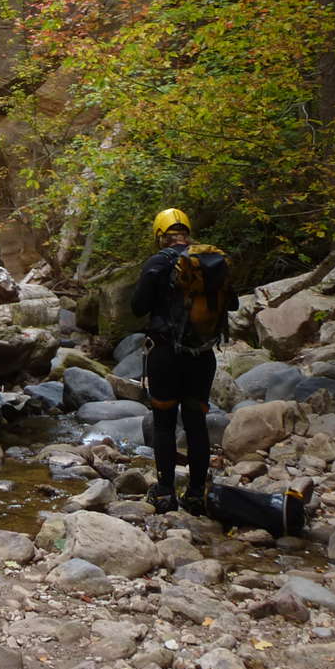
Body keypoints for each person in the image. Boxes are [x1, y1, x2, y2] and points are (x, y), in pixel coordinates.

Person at [130, 207, 218, 515]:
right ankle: (196, 494)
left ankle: (165, 492)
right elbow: (231, 303)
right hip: (203, 355)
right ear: (187, 233)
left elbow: (138, 307)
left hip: (166, 355)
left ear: (160, 236)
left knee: (164, 424)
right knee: (196, 423)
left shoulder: (158, 262)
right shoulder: (210, 261)